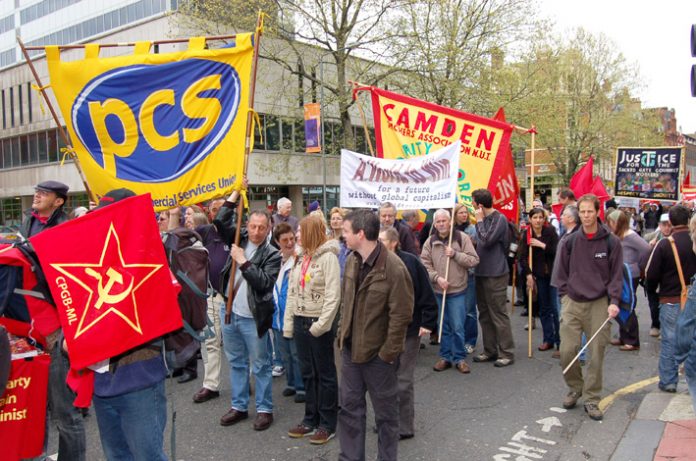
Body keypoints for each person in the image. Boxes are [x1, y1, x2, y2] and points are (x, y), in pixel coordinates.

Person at [90, 189, 169, 461]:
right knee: (117, 456)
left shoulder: (152, 257)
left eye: (109, 216)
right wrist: (66, 340)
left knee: (147, 456)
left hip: (139, 378)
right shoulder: (89, 257)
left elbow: (165, 315)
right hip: (101, 381)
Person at [337, 209, 414, 461]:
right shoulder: (351, 259)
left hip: (378, 359)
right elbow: (346, 303)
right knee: (349, 411)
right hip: (350, 353)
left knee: (386, 418)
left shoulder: (394, 267)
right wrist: (341, 335)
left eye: (346, 231)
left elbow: (401, 316)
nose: (342, 235)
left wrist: (387, 355)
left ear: (360, 234)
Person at [19, 180, 86, 461]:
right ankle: (39, 454)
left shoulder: (65, 230)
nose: (37, 196)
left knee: (64, 410)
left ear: (58, 202)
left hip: (58, 326)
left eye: (44, 193)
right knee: (35, 406)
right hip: (29, 325)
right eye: (37, 191)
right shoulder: (27, 223)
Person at [551, 194, 623, 421]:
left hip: (599, 304)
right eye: (582, 212)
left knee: (596, 355)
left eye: (589, 211)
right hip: (572, 301)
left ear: (597, 212)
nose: (585, 216)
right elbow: (560, 272)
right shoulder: (569, 241)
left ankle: (592, 399)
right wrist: (564, 297)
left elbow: (616, 276)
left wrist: (614, 302)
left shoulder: (612, 242)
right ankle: (575, 387)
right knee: (567, 351)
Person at [216, 203, 282, 431]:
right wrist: (234, 195)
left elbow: (264, 284)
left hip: (253, 318)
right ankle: (239, 406)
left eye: (261, 228)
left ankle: (264, 409)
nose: (256, 232)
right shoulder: (239, 237)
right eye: (253, 226)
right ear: (247, 225)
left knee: (261, 366)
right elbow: (220, 220)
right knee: (236, 363)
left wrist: (243, 261)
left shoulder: (273, 253)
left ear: (268, 228)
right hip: (230, 313)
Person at [284, 216, 341, 445]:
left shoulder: (329, 258)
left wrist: (320, 326)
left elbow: (333, 295)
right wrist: (289, 324)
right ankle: (310, 419)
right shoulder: (300, 257)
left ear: (311, 232)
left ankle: (327, 424)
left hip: (318, 323)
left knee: (325, 374)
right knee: (307, 373)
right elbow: (292, 292)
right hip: (300, 320)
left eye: (300, 231)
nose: (297, 235)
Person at [379, 227, 438, 440]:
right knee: (384, 380)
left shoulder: (412, 263)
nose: (376, 243)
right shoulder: (375, 262)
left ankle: (404, 426)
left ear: (393, 242)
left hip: (409, 329)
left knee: (403, 380)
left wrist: (428, 323)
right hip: (383, 330)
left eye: (381, 240)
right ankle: (386, 420)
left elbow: (427, 294)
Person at [192, 195, 241, 404]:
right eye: (213, 209)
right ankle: (210, 384)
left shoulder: (238, 233)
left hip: (233, 297)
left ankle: (241, 381)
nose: (217, 213)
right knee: (210, 342)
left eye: (221, 209)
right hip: (212, 295)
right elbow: (176, 238)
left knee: (235, 344)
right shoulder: (205, 232)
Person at [645, 205, 696, 394]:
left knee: (669, 341)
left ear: (671, 222)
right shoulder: (694, 241)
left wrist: (654, 292)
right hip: (694, 298)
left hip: (671, 299)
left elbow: (651, 274)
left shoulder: (666, 244)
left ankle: (668, 381)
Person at [421, 209, 479, 373]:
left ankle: (459, 358)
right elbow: (424, 264)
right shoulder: (430, 241)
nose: (441, 224)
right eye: (438, 221)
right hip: (439, 290)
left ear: (450, 222)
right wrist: (437, 278)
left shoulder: (462, 238)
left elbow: (474, 260)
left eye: (443, 221)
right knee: (442, 325)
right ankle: (445, 356)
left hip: (458, 290)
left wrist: (455, 254)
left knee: (458, 326)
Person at [471, 188, 515, 367]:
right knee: (484, 313)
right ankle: (490, 350)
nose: (472, 206)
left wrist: (479, 221)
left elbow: (486, 240)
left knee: (498, 313)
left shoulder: (499, 218)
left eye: (473, 202)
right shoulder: (483, 219)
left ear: (479, 205)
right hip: (480, 272)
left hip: (496, 273)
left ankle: (507, 352)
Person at [605, 210, 650, 351]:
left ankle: (632, 340)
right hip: (620, 272)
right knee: (619, 304)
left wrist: (639, 266)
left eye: (611, 222)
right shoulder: (618, 235)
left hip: (629, 274)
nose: (610, 225)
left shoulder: (630, 236)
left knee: (627, 305)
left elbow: (646, 249)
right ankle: (624, 336)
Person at [272, 223, 305, 403]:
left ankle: (301, 387)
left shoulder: (300, 258)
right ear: (278, 242)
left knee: (295, 353)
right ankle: (291, 383)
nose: (290, 243)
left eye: (292, 239)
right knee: (284, 353)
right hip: (277, 314)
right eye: (285, 240)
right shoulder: (275, 259)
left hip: (292, 313)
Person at [519, 207, 560, 352]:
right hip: (539, 275)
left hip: (554, 274)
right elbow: (522, 257)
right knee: (544, 308)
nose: (538, 220)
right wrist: (528, 275)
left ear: (544, 219)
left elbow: (557, 251)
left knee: (556, 309)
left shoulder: (550, 232)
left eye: (540, 217)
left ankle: (560, 342)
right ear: (530, 219)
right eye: (535, 217)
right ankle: (548, 339)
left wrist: (542, 245)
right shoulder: (526, 234)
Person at [454, 203, 479, 353]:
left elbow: (477, 251)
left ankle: (470, 340)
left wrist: (473, 243)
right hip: (454, 274)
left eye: (466, 212)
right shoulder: (450, 232)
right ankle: (458, 338)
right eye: (461, 213)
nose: (464, 215)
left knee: (470, 309)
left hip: (468, 273)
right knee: (456, 309)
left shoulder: (472, 230)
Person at [644, 213, 673, 337]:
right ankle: (655, 324)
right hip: (653, 276)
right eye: (664, 225)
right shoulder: (651, 237)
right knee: (653, 303)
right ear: (659, 226)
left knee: (666, 303)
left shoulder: (674, 239)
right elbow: (642, 255)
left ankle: (664, 327)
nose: (667, 228)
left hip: (668, 277)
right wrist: (649, 247)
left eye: (669, 225)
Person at [329, 207, 351, 277]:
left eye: (338, 219)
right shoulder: (327, 240)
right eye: (333, 219)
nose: (335, 221)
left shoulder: (347, 241)